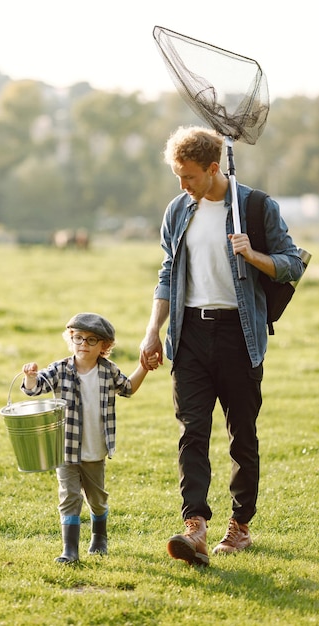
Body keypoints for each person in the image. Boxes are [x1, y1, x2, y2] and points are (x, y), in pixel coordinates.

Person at [140, 125, 304, 567]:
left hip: (239, 335)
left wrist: (253, 256)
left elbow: (293, 264)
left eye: (189, 176)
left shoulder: (256, 206)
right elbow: (167, 272)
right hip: (190, 333)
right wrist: (154, 329)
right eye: (177, 176)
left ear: (214, 169)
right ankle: (194, 526)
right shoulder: (178, 210)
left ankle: (241, 526)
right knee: (191, 430)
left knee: (241, 436)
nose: (182, 185)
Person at [21, 312, 158, 564]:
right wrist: (30, 377)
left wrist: (144, 367)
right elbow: (36, 387)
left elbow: (127, 388)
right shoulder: (60, 369)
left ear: (104, 346)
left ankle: (99, 537)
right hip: (66, 448)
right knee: (69, 496)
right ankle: (70, 550)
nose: (83, 344)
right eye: (78, 338)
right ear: (71, 339)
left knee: (97, 498)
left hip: (96, 450)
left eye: (91, 340)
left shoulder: (108, 371)